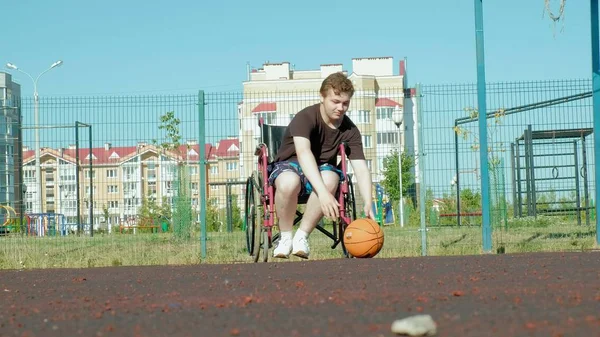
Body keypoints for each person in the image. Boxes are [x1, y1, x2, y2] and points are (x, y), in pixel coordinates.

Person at [268, 72, 375, 259]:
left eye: (345, 103)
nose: (340, 108)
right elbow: (303, 153)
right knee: (288, 182)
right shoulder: (305, 117)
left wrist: (368, 202)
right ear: (322, 97)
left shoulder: (350, 130)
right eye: (335, 101)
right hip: (291, 165)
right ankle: (285, 238)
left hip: (322, 169)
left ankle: (301, 237)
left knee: (332, 176)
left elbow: (360, 168)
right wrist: (324, 194)